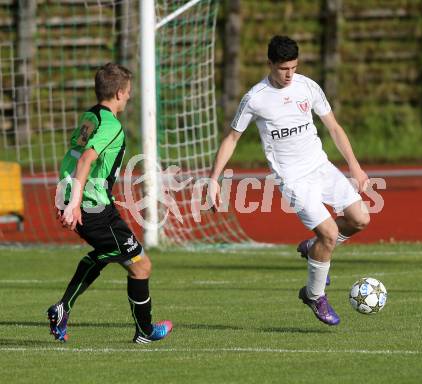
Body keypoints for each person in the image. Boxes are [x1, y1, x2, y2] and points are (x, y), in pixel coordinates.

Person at [209, 36, 370, 326]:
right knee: (330, 234)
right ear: (269, 63)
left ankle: (313, 248)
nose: (289, 75)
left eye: (293, 68)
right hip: (292, 179)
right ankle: (314, 294)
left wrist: (355, 167)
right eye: (283, 68)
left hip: (321, 167)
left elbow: (333, 127)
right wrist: (213, 180)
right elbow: (232, 139)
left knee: (360, 219)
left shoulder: (308, 87)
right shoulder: (255, 98)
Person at [48, 63, 172, 343]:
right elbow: (85, 159)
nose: (129, 97)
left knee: (111, 255)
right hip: (94, 208)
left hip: (89, 202)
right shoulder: (111, 125)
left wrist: (66, 197)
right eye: (127, 93)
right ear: (118, 93)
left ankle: (63, 308)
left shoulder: (89, 116)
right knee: (141, 265)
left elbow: (73, 156)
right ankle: (144, 331)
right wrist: (74, 204)